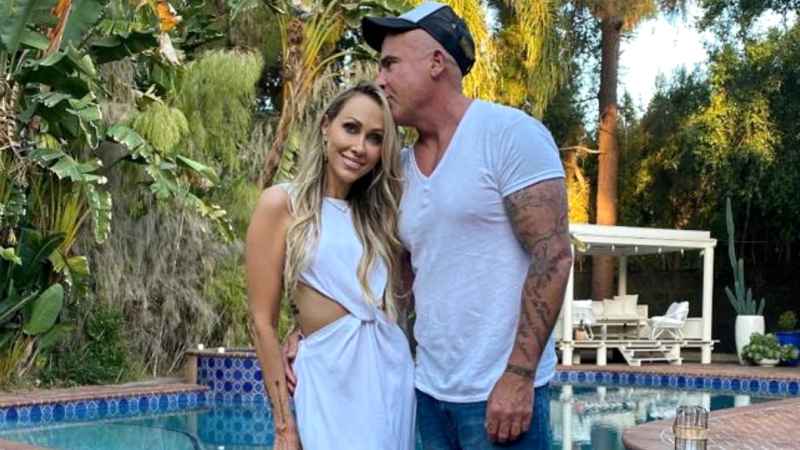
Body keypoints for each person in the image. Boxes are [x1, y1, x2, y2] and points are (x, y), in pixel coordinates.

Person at [361, 2, 574, 449]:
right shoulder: (399, 168)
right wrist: (311, 330)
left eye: (390, 64)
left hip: (500, 396)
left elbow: (553, 255)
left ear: (436, 62)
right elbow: (395, 277)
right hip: (429, 392)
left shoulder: (509, 134)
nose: (380, 80)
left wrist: (519, 375)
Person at [246, 81, 415, 450]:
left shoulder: (379, 217)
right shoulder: (281, 204)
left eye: (374, 138)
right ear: (326, 126)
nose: (359, 147)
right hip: (328, 377)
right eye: (350, 128)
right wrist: (283, 427)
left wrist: (301, 328)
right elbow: (261, 322)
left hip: (389, 372)